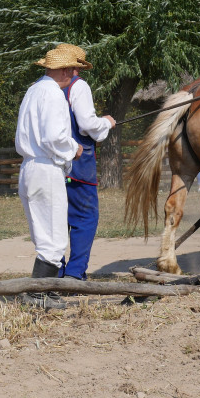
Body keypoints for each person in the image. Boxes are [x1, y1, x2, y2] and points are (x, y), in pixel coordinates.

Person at [15, 45, 85, 301]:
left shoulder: (33, 90)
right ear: (65, 70)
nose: (77, 73)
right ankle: (39, 294)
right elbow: (54, 137)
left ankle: (43, 291)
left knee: (44, 236)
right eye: (76, 68)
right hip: (46, 169)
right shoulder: (54, 94)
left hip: (29, 169)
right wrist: (73, 148)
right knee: (54, 239)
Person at [57, 44, 115, 280]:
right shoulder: (78, 87)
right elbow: (88, 125)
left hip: (53, 165)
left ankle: (55, 271)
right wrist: (107, 123)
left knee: (57, 218)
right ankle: (75, 273)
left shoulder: (42, 88)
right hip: (78, 164)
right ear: (76, 67)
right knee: (85, 217)